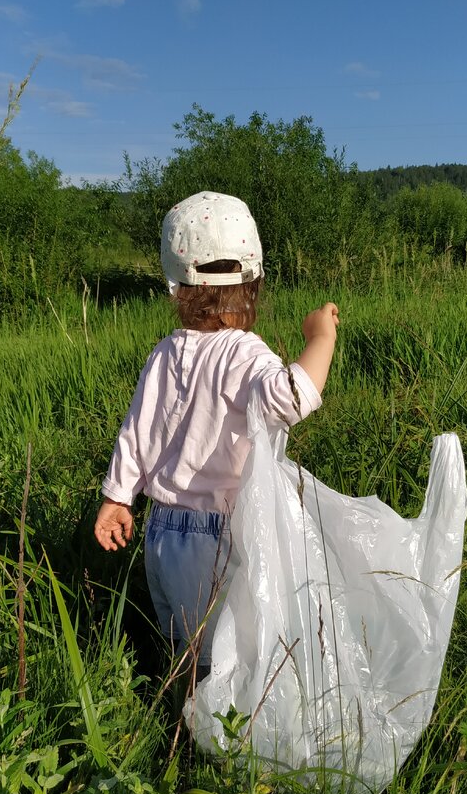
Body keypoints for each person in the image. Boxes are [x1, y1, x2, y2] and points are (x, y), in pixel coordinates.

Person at [94, 191, 339, 680]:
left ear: (175, 287)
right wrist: (321, 338)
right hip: (217, 534)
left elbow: (135, 433)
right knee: (227, 654)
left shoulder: (164, 353)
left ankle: (177, 716)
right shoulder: (243, 354)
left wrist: (117, 498)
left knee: (182, 641)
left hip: (162, 531)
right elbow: (293, 397)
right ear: (254, 283)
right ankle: (216, 743)